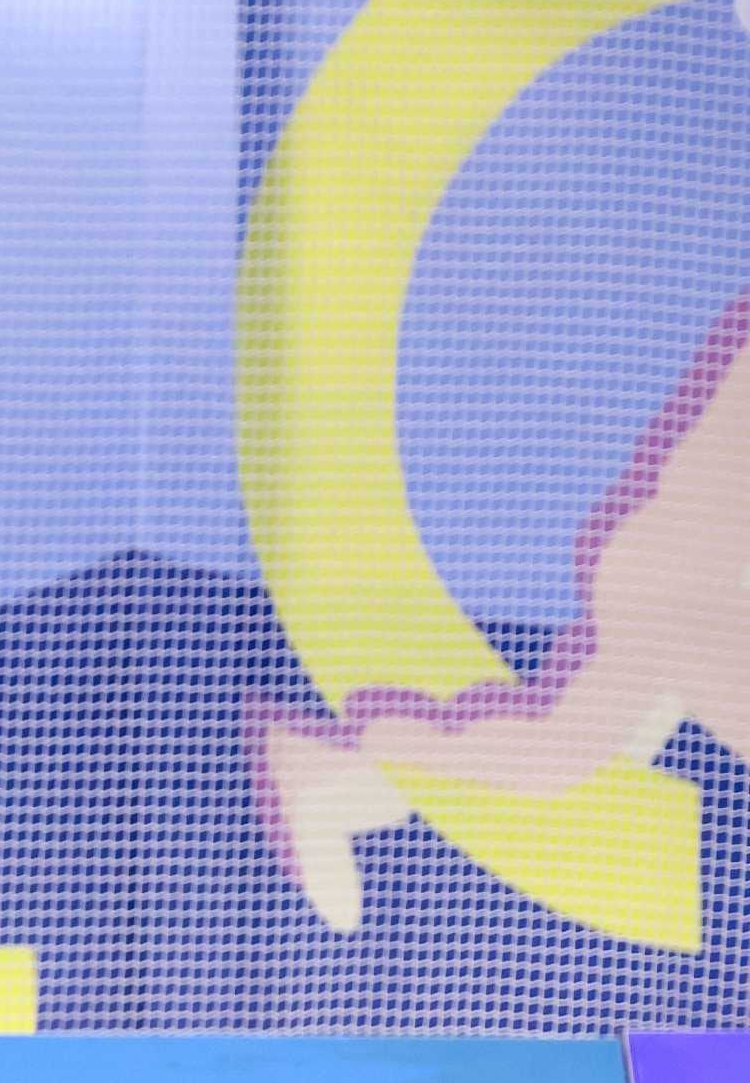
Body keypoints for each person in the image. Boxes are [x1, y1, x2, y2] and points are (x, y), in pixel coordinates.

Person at [256, 296, 750, 933]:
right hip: (679, 593)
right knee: (565, 751)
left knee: (560, 756)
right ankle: (334, 766)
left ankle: (331, 768)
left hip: (689, 599)